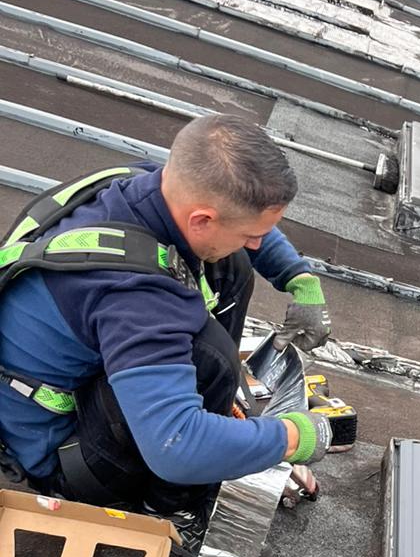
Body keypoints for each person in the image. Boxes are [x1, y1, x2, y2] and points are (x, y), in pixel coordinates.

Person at [0, 113, 334, 512]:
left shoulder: (143, 186)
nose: (259, 242)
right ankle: (176, 509)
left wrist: (300, 279)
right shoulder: (139, 299)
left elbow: (245, 219)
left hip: (54, 387)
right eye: (251, 236)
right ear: (202, 220)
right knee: (209, 358)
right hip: (62, 457)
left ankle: (221, 423)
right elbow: (176, 447)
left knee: (232, 265)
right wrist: (292, 438)